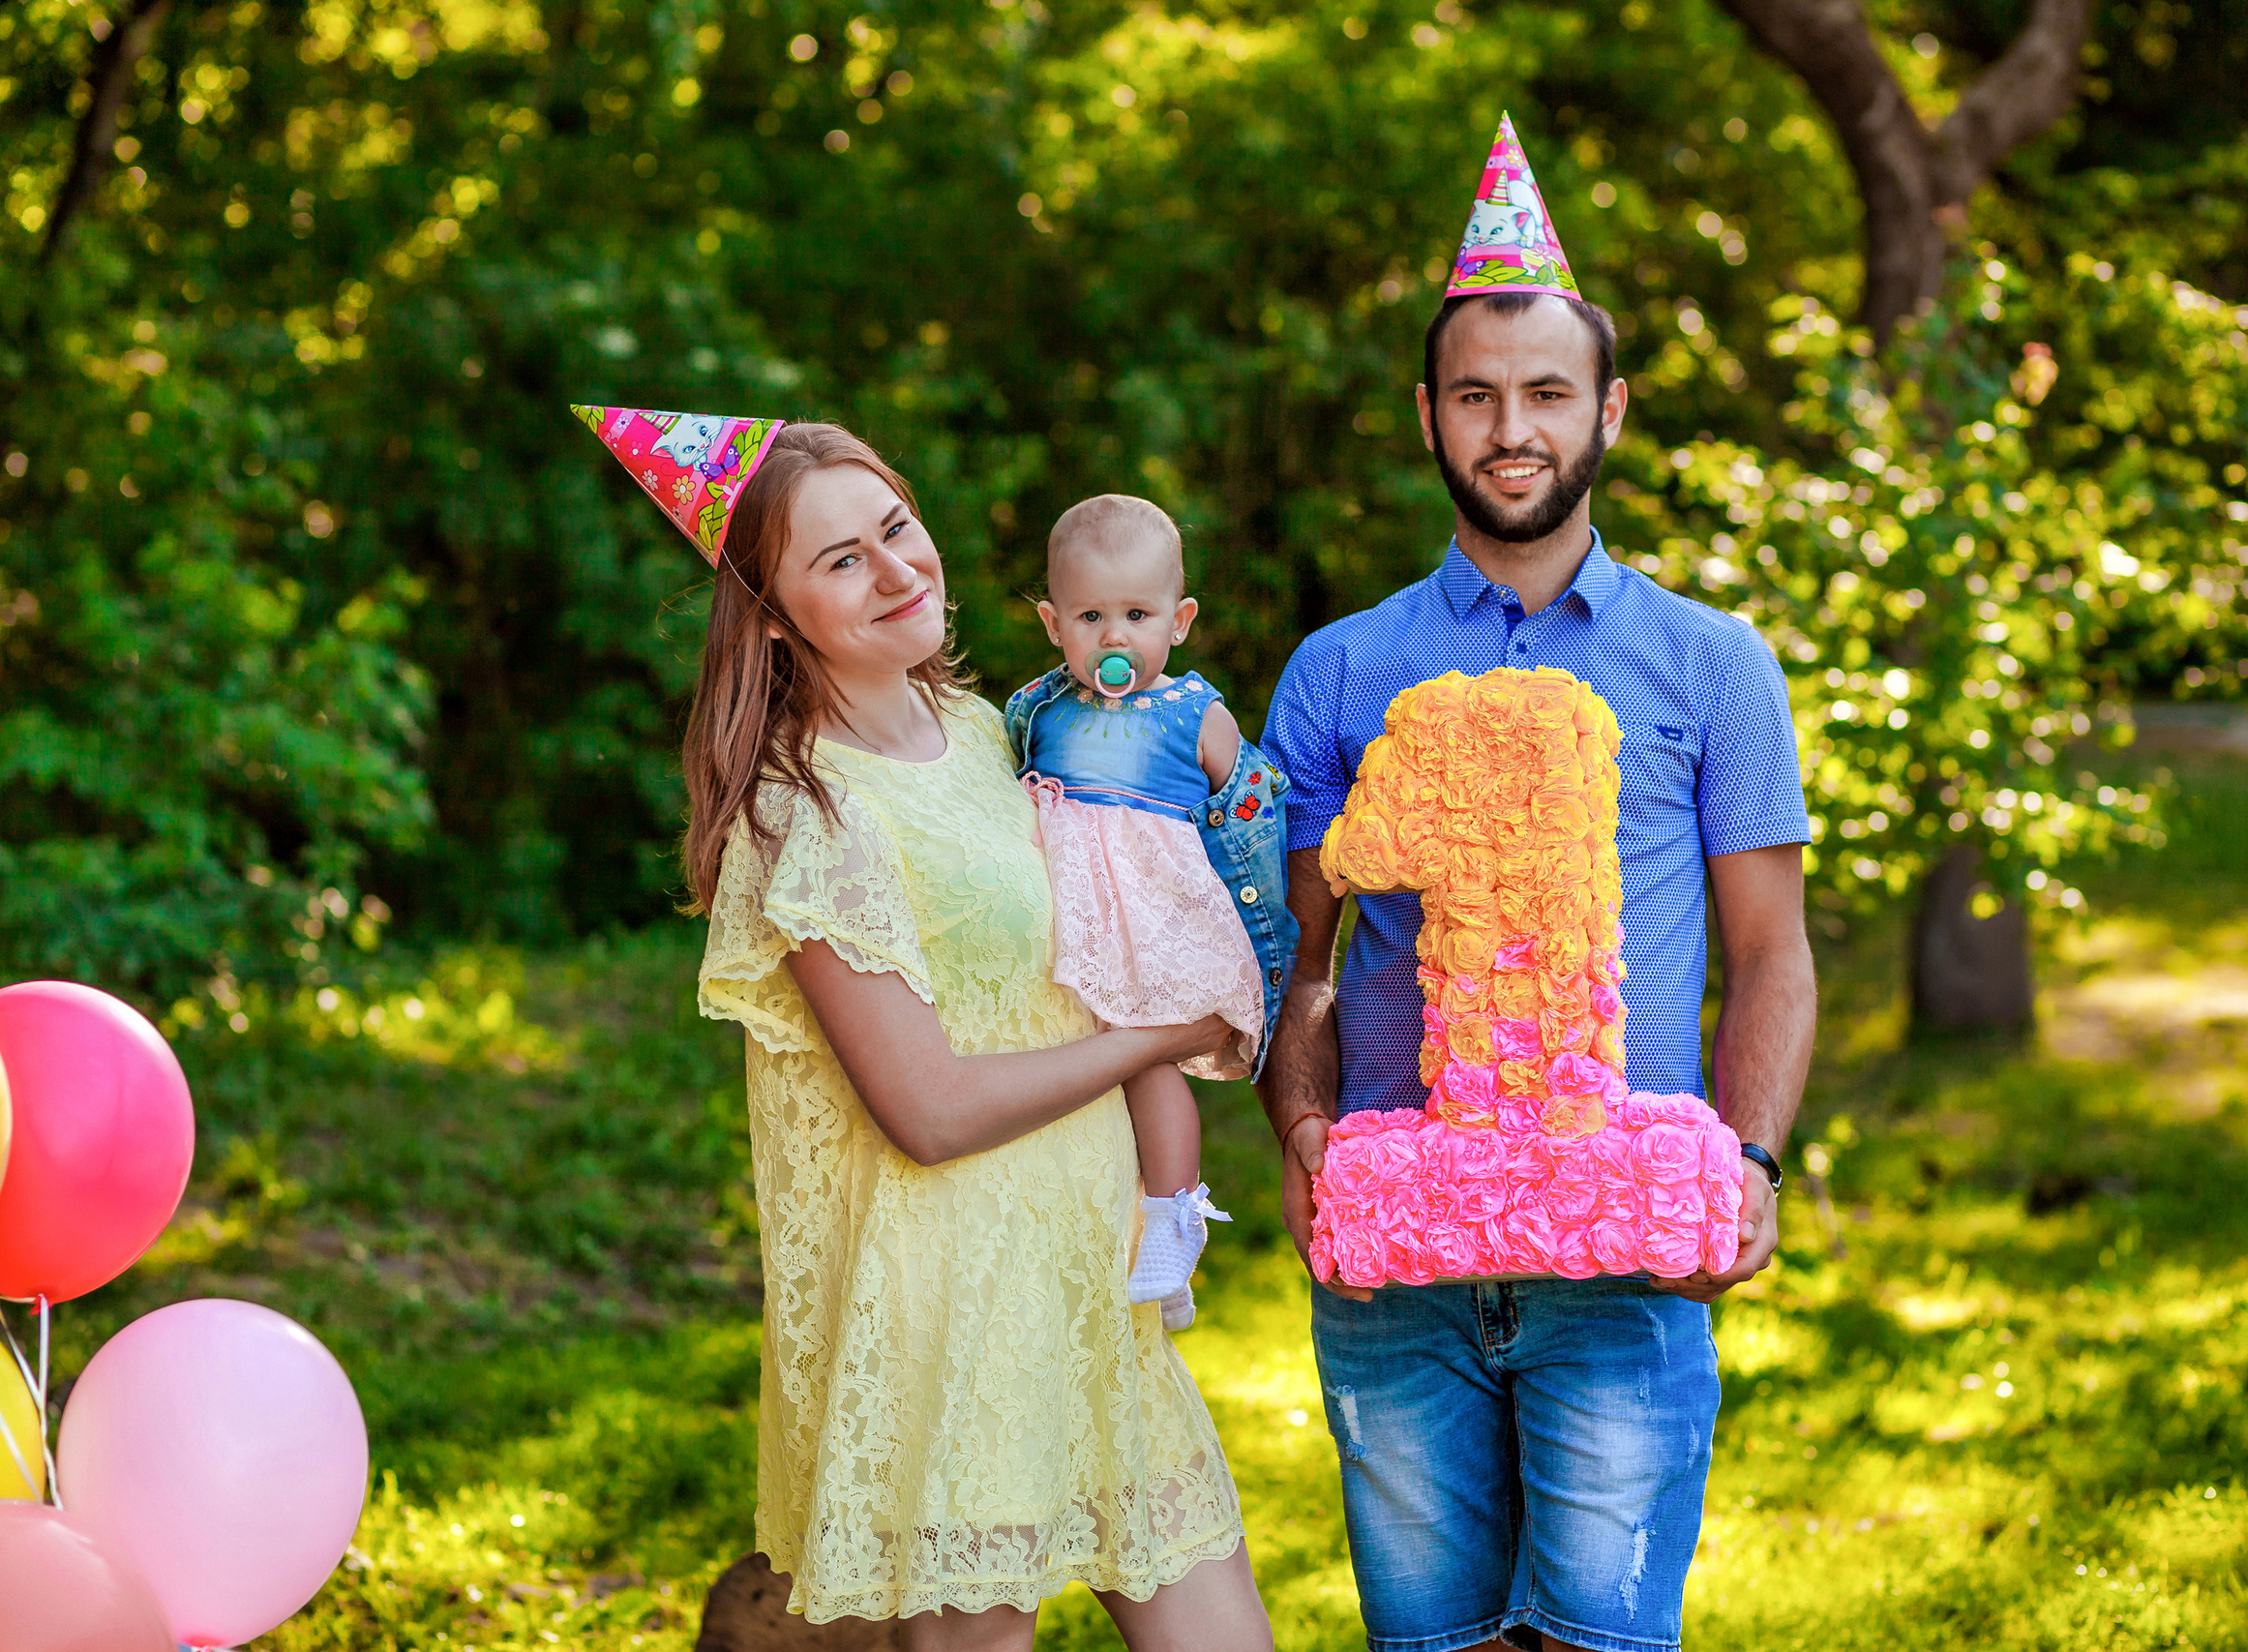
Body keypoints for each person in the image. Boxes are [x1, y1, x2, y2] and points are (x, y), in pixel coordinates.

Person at [573, 405, 1274, 1652]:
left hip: (1083, 1289)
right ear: (775, 615)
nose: (898, 569)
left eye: (895, 527)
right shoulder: (811, 815)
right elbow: (929, 1110)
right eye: (841, 560)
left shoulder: (986, 733)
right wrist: (1156, 1037)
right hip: (951, 1307)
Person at [1256, 120, 1818, 1652]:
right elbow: (1298, 955)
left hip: (1626, 1246)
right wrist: (1302, 1130)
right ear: (1429, 413)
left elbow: (1771, 949)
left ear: (1608, 409)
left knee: (1603, 1642)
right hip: (1401, 1253)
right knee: (1429, 1641)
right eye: (1479, 394)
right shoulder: (1343, 667)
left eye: (1548, 391)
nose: (1514, 426)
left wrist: (1753, 1164)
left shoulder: (1710, 662)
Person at [1004, 495, 1300, 1329]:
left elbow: (1252, 810)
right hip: (1064, 912)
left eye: (1137, 614)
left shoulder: (1192, 712)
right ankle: (1075, 1229)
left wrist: (1248, 923)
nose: (1114, 636)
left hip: (1154, 915)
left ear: (1179, 620)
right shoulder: (1039, 708)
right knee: (1060, 1055)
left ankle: (1172, 1222)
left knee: (1144, 1059)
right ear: (1052, 623)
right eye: (1090, 616)